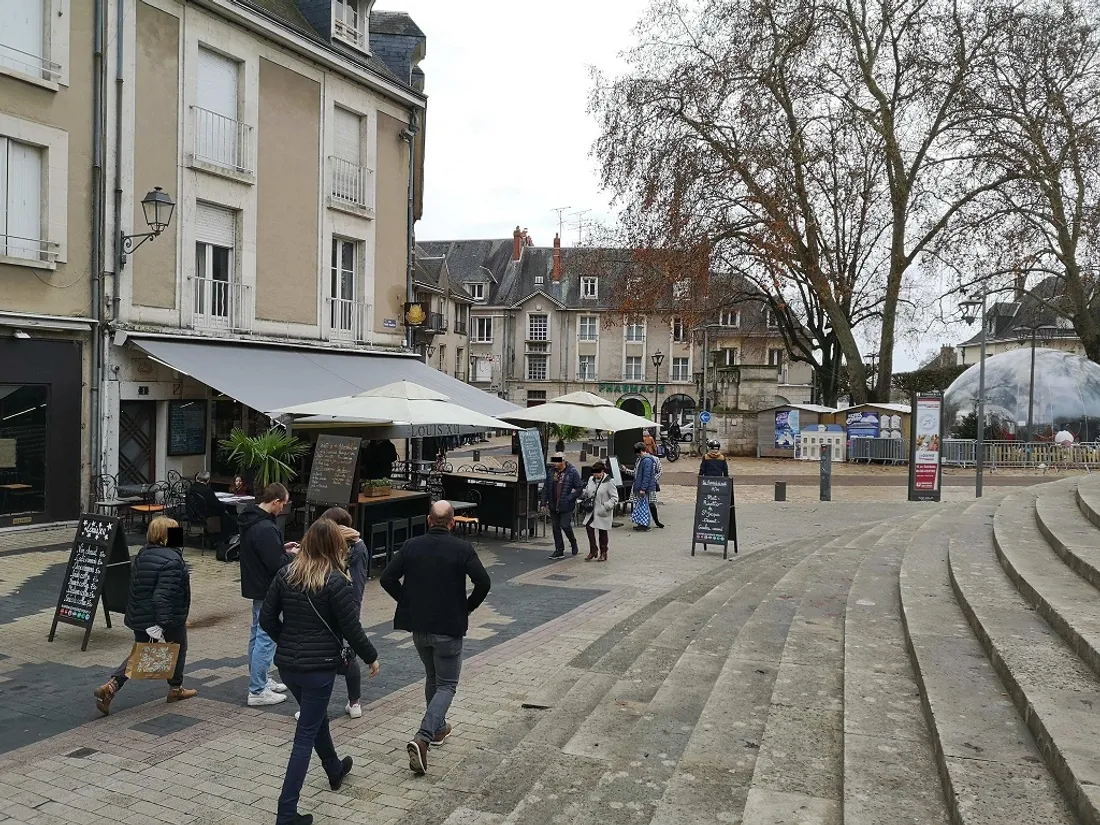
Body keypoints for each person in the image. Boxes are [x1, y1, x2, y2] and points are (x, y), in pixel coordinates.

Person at [261, 518, 380, 825]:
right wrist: (371, 657)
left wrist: (286, 641)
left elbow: (267, 619)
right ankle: (286, 813)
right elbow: (351, 628)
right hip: (319, 669)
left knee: (315, 720)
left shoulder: (286, 574)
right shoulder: (336, 581)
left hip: (288, 667)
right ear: (335, 546)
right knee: (304, 737)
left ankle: (333, 768)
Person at [379, 501, 491, 777]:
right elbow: (483, 582)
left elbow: (387, 578)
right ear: (452, 523)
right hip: (448, 627)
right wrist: (467, 607)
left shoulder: (411, 546)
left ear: (429, 520)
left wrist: (407, 602)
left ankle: (439, 728)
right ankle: (424, 737)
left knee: (432, 677)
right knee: (447, 685)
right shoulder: (462, 549)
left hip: (419, 627)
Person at [94, 517, 195, 714]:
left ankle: (111, 688)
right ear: (166, 536)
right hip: (165, 617)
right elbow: (162, 596)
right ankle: (175, 689)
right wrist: (162, 624)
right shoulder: (173, 561)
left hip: (140, 615)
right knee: (178, 648)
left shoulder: (144, 553)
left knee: (140, 653)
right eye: (175, 532)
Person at [239, 482, 295, 707]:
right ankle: (257, 689)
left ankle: (259, 679)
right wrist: (292, 556)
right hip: (268, 587)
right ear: (276, 501)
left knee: (257, 633)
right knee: (266, 636)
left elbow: (266, 552)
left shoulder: (252, 520)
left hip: (256, 585)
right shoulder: (265, 527)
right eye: (283, 504)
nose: (283, 508)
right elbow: (277, 564)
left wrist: (282, 548)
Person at [320, 507, 368, 719]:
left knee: (327, 653)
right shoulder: (358, 546)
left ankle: (315, 705)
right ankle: (354, 702)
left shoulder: (337, 546)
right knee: (348, 652)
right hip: (350, 603)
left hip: (332, 603)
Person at [540, 452, 584, 559]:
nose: (555, 464)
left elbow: (579, 488)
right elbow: (546, 488)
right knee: (555, 528)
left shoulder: (572, 472)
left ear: (563, 461)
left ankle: (573, 541)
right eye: (554, 461)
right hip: (553, 504)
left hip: (566, 505)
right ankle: (559, 550)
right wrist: (543, 503)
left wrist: (570, 497)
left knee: (565, 525)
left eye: (557, 461)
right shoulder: (551, 472)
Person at [186, 470, 237, 547]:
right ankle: (221, 540)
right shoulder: (207, 491)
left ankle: (216, 538)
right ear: (208, 480)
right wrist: (226, 507)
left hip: (193, 514)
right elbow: (217, 505)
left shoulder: (190, 489)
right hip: (206, 515)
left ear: (196, 478)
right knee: (228, 518)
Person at [581, 461, 619, 562]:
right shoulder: (591, 479)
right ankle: (593, 549)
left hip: (602, 510)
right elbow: (587, 491)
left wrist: (606, 506)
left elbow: (615, 498)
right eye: (593, 472)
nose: (595, 474)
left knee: (602, 531)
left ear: (602, 471)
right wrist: (581, 493)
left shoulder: (609, 482)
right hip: (592, 510)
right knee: (589, 527)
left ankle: (603, 552)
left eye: (597, 472)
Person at [631, 442, 658, 532]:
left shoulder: (646, 460)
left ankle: (645, 525)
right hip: (645, 487)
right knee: (643, 506)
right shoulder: (646, 459)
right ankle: (642, 524)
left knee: (644, 507)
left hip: (645, 488)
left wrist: (643, 488)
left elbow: (646, 476)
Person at [646, 441, 666, 529]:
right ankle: (647, 521)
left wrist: (653, 480)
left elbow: (660, 471)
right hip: (646, 484)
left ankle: (655, 521)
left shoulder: (655, 459)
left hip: (651, 485)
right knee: (647, 503)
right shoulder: (639, 459)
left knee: (651, 502)